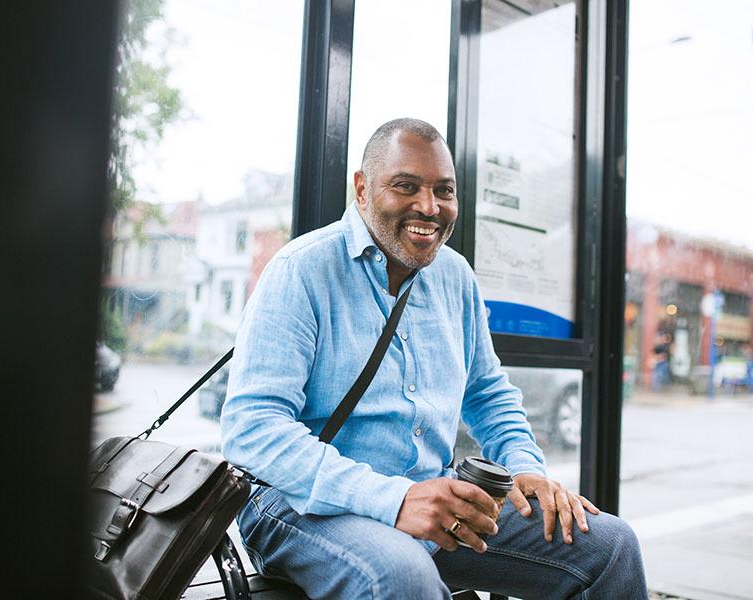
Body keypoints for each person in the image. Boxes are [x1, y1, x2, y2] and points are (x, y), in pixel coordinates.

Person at [221, 118, 648, 599]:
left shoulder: (455, 276)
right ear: (362, 188)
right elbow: (252, 427)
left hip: (431, 494)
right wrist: (396, 498)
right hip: (303, 503)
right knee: (403, 575)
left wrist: (526, 468)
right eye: (406, 186)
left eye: (444, 191)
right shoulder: (301, 270)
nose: (429, 207)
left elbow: (488, 393)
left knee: (611, 546)